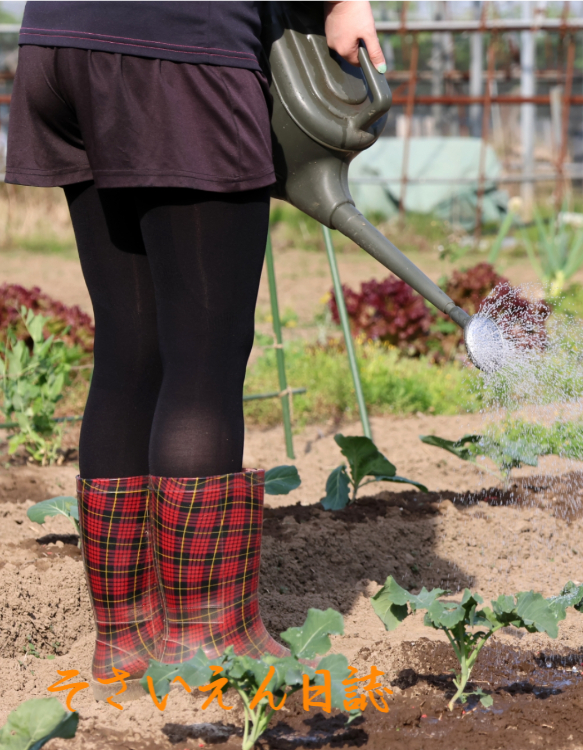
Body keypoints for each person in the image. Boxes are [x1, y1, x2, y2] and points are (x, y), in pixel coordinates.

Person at [4, 1, 386, 698]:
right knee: (206, 354)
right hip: (179, 47)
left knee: (129, 341)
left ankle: (126, 637)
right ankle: (208, 634)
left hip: (58, 44)